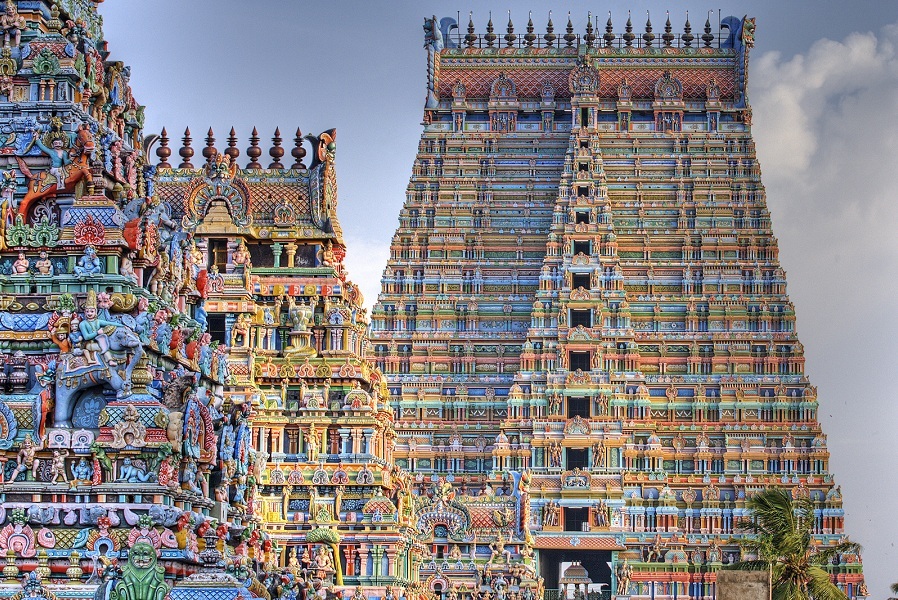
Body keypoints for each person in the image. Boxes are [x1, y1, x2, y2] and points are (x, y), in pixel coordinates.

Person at [79, 289, 119, 365]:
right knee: (104, 346)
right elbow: (86, 337)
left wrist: (124, 326)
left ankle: (110, 361)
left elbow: (110, 323)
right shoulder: (83, 324)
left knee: (105, 343)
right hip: (89, 344)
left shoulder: (98, 321)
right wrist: (97, 333)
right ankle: (110, 360)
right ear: (84, 312)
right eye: (87, 311)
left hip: (99, 341)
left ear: (96, 312)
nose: (89, 313)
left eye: (92, 311)